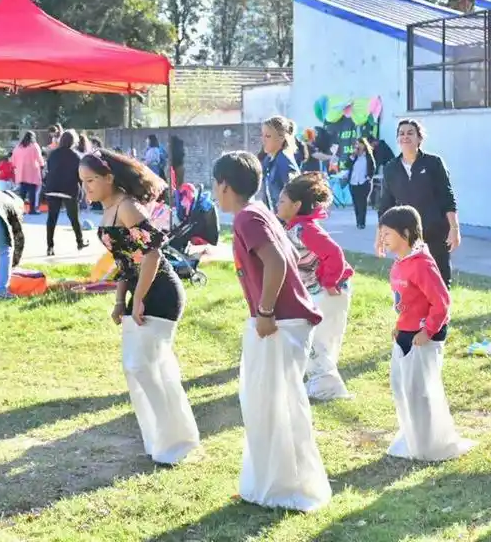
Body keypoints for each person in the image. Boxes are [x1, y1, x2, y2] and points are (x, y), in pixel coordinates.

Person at [212, 150, 331, 512]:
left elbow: (278, 261)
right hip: (285, 319)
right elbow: (288, 258)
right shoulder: (259, 211)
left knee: (273, 404)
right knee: (268, 401)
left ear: (225, 185)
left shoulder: (247, 218)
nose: (214, 192)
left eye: (215, 185)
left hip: (279, 321)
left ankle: (284, 488)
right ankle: (269, 483)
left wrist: (265, 311)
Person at [80, 147, 199, 465]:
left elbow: (153, 254)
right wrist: (121, 300)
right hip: (141, 291)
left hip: (160, 291)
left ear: (109, 178)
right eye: (83, 182)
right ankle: (163, 441)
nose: (86, 187)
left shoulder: (128, 208)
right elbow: (125, 261)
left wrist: (140, 299)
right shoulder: (109, 210)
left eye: (91, 180)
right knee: (142, 368)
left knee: (144, 366)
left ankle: (175, 442)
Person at [379, 205, 475, 461]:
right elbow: (406, 300)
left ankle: (432, 444)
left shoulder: (421, 264)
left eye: (387, 234)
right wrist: (400, 324)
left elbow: (441, 301)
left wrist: (428, 330)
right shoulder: (401, 263)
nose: (383, 239)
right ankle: (413, 436)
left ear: (406, 233)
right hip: (406, 333)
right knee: (403, 387)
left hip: (423, 336)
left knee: (421, 390)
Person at [277, 172, 355, 400]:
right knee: (318, 339)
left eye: (282, 201)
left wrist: (330, 282)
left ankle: (328, 387)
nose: (278, 204)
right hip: (318, 291)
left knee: (320, 339)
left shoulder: (305, 229)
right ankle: (322, 383)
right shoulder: (292, 227)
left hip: (331, 291)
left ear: (296, 205)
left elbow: (334, 254)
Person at [376, 119, 460, 289]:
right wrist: (380, 236)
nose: (405, 136)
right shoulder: (391, 168)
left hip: (435, 229)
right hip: (406, 233)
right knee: (412, 279)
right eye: (401, 133)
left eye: (410, 133)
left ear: (419, 138)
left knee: (439, 278)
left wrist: (454, 228)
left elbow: (447, 197)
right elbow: (386, 205)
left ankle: (441, 313)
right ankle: (418, 314)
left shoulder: (434, 163)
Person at [44, 129, 89, 256]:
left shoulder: (52, 154)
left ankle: (50, 246)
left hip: (52, 188)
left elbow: (50, 169)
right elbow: (80, 176)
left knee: (51, 218)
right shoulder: (76, 156)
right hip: (68, 190)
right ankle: (80, 241)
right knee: (74, 217)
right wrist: (84, 192)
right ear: (73, 142)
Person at [261, 116, 301, 212]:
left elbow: (296, 196)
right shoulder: (269, 160)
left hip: (287, 222)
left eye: (268, 136)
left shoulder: (284, 161)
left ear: (282, 137)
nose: (263, 140)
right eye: (262, 135)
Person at [12, 131, 44, 215]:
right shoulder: (34, 146)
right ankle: (32, 209)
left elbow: (13, 160)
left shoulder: (18, 147)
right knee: (32, 192)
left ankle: (21, 210)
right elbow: (39, 158)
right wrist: (42, 165)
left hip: (21, 172)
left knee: (22, 191)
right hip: (32, 171)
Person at [347, 138, 376, 229]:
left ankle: (362, 223)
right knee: (356, 203)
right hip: (353, 182)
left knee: (362, 203)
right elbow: (347, 165)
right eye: (356, 144)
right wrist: (352, 156)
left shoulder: (368, 156)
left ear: (364, 145)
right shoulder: (353, 157)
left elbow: (373, 167)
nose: (358, 146)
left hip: (364, 182)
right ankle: (358, 221)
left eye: (360, 144)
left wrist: (369, 177)